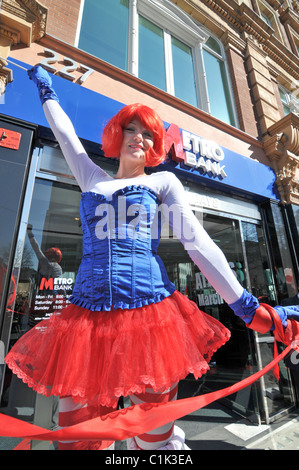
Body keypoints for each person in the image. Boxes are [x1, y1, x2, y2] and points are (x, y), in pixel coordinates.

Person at [4, 66, 299, 451]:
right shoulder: (93, 179)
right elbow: (65, 136)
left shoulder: (162, 182)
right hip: (85, 324)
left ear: (155, 146)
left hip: (150, 321)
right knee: (78, 438)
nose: (139, 139)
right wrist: (47, 90)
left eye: (148, 134)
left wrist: (246, 306)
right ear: (117, 134)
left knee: (153, 437)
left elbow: (197, 243)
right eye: (132, 129)